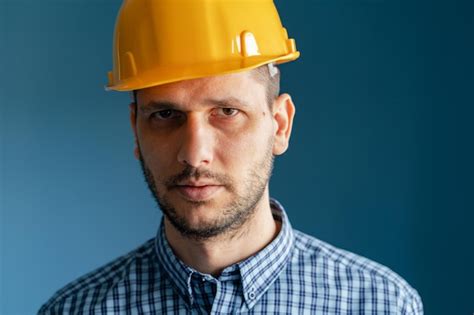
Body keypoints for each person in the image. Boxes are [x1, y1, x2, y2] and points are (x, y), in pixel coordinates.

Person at [38, 1, 423, 314]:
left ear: (280, 125)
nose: (194, 153)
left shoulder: (380, 304)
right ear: (136, 128)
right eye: (165, 115)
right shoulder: (75, 309)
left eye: (226, 112)